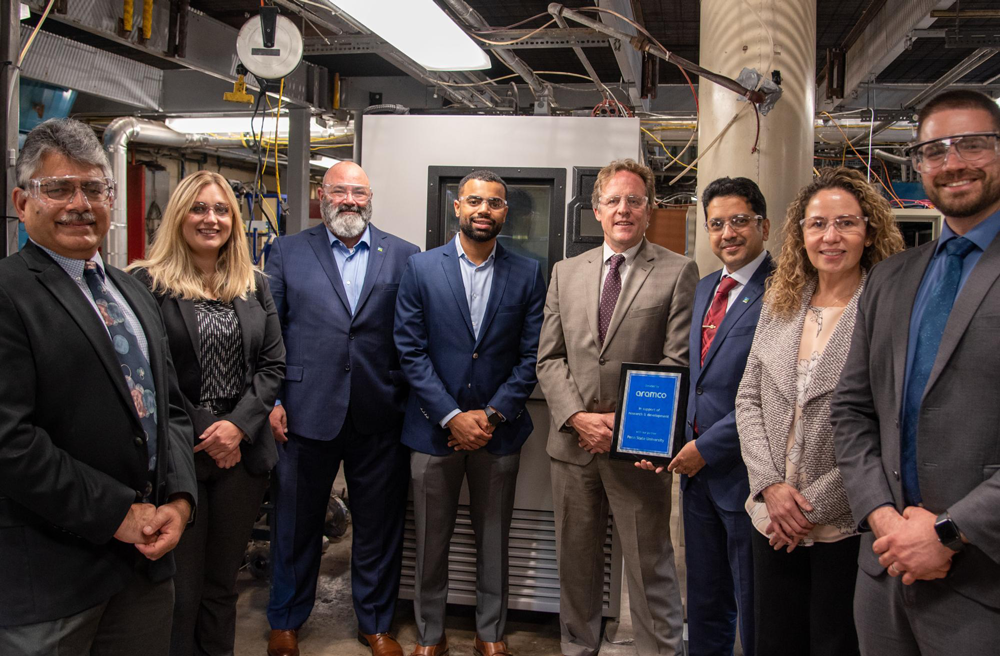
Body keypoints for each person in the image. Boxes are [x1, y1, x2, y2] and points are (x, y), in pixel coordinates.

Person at [0, 118, 196, 654]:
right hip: (53, 579)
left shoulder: (131, 290)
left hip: (144, 567)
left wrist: (179, 500)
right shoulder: (9, 294)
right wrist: (116, 514)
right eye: (58, 189)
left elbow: (170, 409)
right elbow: (10, 441)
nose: (79, 204)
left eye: (93, 188)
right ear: (23, 202)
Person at [831, 89, 1000, 653]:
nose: (953, 162)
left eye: (972, 144)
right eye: (934, 151)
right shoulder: (892, 278)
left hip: (983, 579)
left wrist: (950, 532)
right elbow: (851, 409)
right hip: (883, 573)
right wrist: (883, 520)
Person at [735, 167, 904, 655]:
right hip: (768, 516)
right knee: (772, 640)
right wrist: (769, 486)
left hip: (844, 524)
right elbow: (748, 398)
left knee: (834, 642)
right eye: (817, 224)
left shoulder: (887, 306)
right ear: (800, 234)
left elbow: (880, 422)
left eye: (846, 223)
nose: (830, 237)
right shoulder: (781, 302)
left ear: (869, 231)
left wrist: (807, 508)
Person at [536, 158, 698, 656]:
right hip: (573, 445)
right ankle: (577, 647)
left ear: (649, 210)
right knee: (576, 566)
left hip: (639, 450)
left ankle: (660, 651)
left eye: (634, 201)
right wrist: (579, 418)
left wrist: (621, 423)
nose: (623, 210)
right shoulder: (566, 272)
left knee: (650, 567)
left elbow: (677, 361)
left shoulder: (677, 271)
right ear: (596, 210)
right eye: (613, 201)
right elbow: (549, 357)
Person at [263, 161, 420, 656]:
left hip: (380, 411)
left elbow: (411, 336)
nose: (349, 200)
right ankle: (285, 619)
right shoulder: (287, 252)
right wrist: (273, 401)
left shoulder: (405, 255)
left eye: (359, 192)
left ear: (370, 198)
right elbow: (271, 336)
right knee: (295, 521)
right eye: (339, 191)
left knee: (379, 524)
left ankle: (375, 624)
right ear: (321, 195)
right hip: (305, 409)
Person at [127, 170, 285, 656]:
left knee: (223, 587)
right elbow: (151, 372)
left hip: (243, 457)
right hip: (181, 457)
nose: (210, 219)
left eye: (220, 210)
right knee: (182, 590)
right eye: (199, 208)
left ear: (234, 221)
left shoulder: (254, 284)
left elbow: (274, 364)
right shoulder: (146, 284)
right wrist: (207, 431)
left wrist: (237, 427)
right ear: (179, 216)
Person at [394, 170, 546, 656]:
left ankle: (490, 632)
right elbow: (409, 351)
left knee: (493, 538)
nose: (484, 209)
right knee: (430, 543)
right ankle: (430, 634)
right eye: (475, 201)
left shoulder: (528, 272)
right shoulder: (421, 268)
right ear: (457, 207)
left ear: (506, 212)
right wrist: (452, 415)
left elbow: (533, 355)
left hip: (498, 433)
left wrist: (492, 415)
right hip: (433, 429)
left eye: (496, 203)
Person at [639, 177, 772, 656]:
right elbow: (692, 380)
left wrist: (705, 449)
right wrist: (664, 442)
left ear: (764, 226)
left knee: (755, 603)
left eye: (739, 221)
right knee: (706, 601)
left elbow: (771, 396)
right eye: (716, 224)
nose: (727, 233)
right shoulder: (706, 287)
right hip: (696, 481)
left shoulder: (783, 289)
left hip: (749, 476)